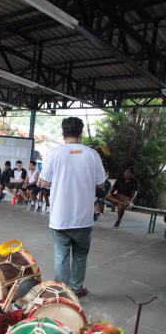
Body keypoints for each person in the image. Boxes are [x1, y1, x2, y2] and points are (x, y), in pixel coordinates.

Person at [40, 117, 105, 298]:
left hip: (60, 218)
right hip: (84, 219)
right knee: (80, 255)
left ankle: (61, 292)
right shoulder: (92, 154)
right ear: (81, 133)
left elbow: (44, 182)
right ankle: (76, 289)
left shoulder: (54, 154)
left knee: (61, 256)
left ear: (63, 134)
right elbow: (101, 184)